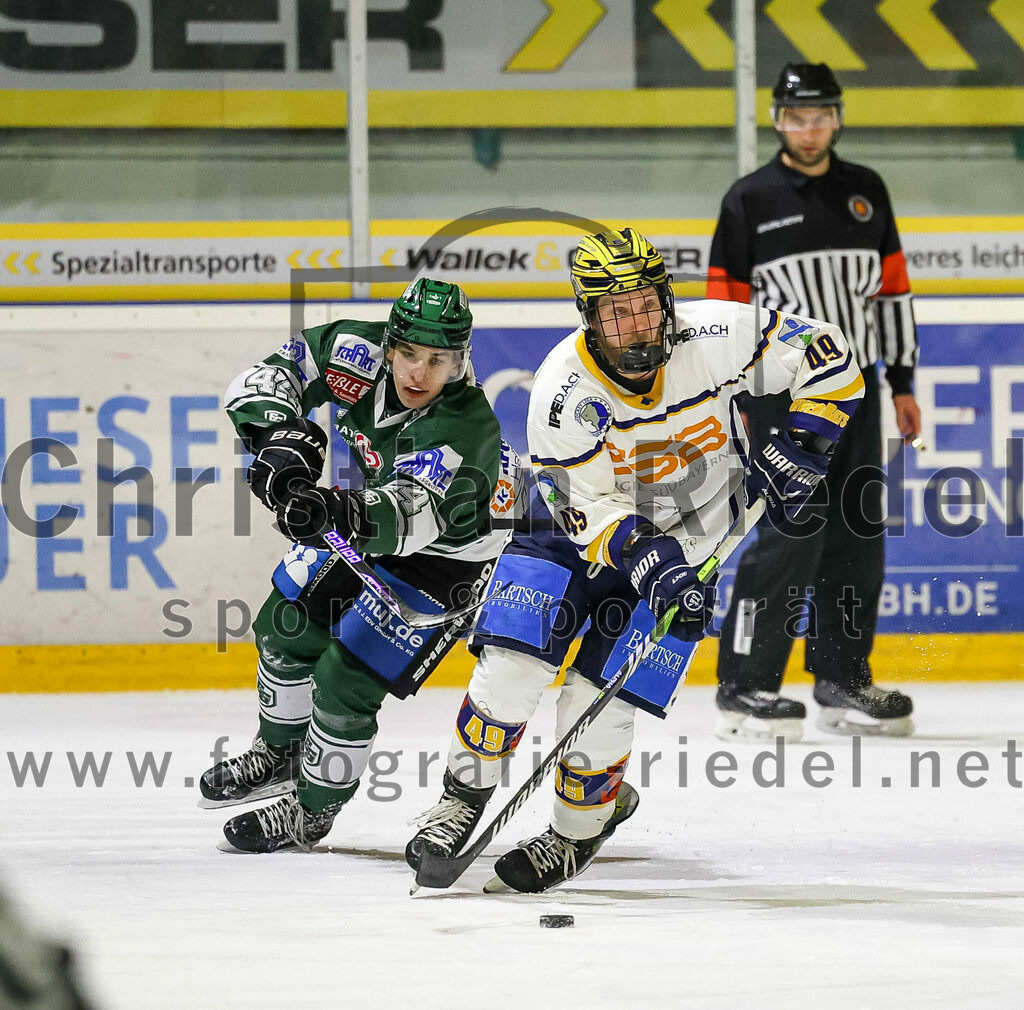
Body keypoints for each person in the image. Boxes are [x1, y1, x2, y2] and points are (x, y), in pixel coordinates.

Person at [406, 227, 865, 893]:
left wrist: (804, 442)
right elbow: (588, 509)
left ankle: (577, 830)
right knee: (511, 667)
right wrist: (655, 561)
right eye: (616, 312)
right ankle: (461, 799)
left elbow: (830, 352)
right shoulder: (561, 391)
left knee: (601, 701)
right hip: (570, 532)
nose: (637, 324)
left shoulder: (714, 334)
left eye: (647, 305)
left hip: (695, 536)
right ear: (588, 316)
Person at [198, 278, 512, 853]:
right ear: (389, 346)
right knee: (284, 624)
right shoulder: (355, 352)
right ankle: (280, 753)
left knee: (344, 679)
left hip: (449, 559)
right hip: (369, 518)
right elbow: (268, 377)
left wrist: (333, 508)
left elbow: (410, 516)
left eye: (439, 361)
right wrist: (277, 439)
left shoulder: (466, 427)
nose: (420, 373)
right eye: (410, 354)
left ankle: (311, 811)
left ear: (460, 361)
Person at [708, 62, 922, 742]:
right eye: (796, 117)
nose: (809, 129)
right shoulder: (749, 200)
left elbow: (892, 293)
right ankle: (744, 685)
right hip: (781, 398)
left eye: (821, 116)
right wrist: (734, 398)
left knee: (858, 534)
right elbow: (724, 311)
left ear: (838, 118)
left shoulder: (867, 191)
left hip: (857, 394)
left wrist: (903, 383)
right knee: (789, 535)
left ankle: (841, 679)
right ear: (777, 121)